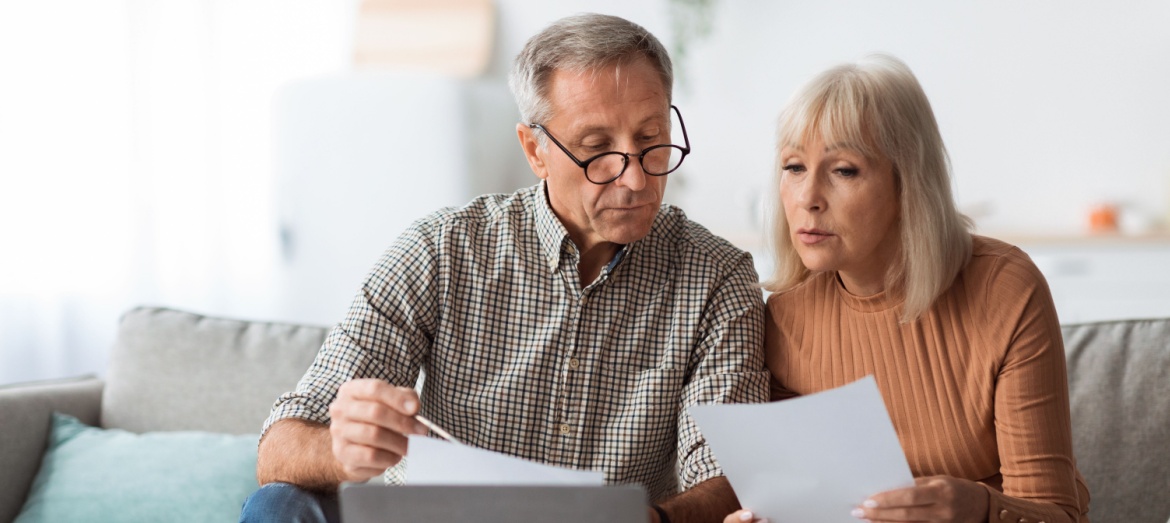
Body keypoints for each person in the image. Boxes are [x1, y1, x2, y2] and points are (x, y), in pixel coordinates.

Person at [239, 13, 770, 523]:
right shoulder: (441, 250)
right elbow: (279, 452)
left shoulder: (717, 276)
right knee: (278, 506)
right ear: (535, 150)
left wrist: (650, 519)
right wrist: (342, 449)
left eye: (651, 139)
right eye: (597, 148)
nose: (634, 177)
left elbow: (725, 477)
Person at [724, 55, 1089, 523]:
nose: (807, 197)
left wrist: (980, 509)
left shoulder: (1004, 289)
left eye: (844, 170)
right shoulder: (784, 317)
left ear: (907, 184)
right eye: (793, 167)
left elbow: (1059, 515)